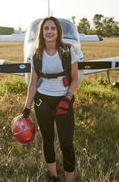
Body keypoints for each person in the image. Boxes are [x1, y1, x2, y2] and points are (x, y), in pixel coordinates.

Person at [21, 16, 78, 182]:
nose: (49, 32)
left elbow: (74, 80)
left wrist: (67, 99)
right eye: (46, 28)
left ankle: (69, 179)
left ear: (58, 32)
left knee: (66, 143)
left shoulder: (68, 51)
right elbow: (32, 84)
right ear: (42, 32)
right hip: (42, 101)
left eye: (53, 28)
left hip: (63, 100)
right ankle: (53, 176)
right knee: (47, 140)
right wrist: (26, 108)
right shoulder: (36, 54)